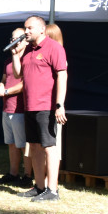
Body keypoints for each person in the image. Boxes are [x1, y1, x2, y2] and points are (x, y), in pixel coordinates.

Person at [12, 16, 67, 202]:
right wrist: (15, 54)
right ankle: (39, 186)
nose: (26, 31)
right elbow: (19, 74)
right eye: (25, 28)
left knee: (49, 147)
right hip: (30, 106)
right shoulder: (28, 49)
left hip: (47, 106)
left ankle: (53, 190)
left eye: (29, 28)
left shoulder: (54, 48)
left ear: (42, 29)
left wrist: (59, 104)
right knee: (34, 147)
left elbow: (62, 76)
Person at [0, 28, 30, 185]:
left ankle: (28, 176)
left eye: (17, 39)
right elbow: (4, 78)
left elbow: (25, 84)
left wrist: (6, 91)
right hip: (6, 107)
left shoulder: (28, 59)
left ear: (25, 41)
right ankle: (13, 173)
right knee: (12, 143)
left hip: (19, 109)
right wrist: (0, 86)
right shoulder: (8, 61)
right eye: (11, 39)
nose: (13, 42)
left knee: (23, 145)